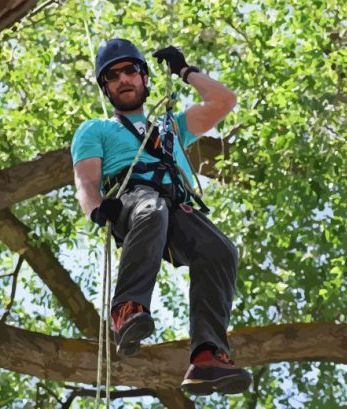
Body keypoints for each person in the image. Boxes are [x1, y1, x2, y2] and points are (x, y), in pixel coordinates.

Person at [72, 38, 251, 395]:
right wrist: (97, 211)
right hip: (132, 202)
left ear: (144, 77)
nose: (123, 79)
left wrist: (185, 72)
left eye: (130, 70)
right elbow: (86, 181)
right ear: (105, 88)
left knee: (220, 251)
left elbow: (224, 101)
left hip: (177, 207)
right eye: (112, 76)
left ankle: (207, 355)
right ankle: (126, 308)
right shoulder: (96, 130)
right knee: (151, 209)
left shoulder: (171, 127)